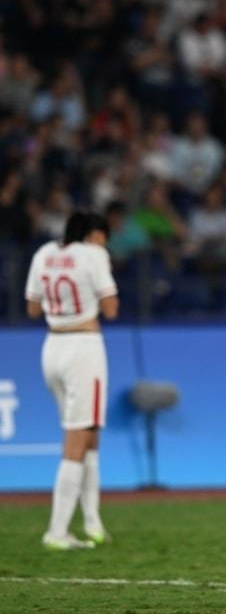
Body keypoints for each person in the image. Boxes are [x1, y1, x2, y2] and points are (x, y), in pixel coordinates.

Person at [24, 211, 119, 550]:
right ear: (94, 235)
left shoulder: (43, 254)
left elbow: (33, 309)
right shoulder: (93, 254)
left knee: (88, 433)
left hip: (52, 347)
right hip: (83, 347)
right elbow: (110, 309)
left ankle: (93, 522)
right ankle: (57, 530)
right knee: (79, 438)